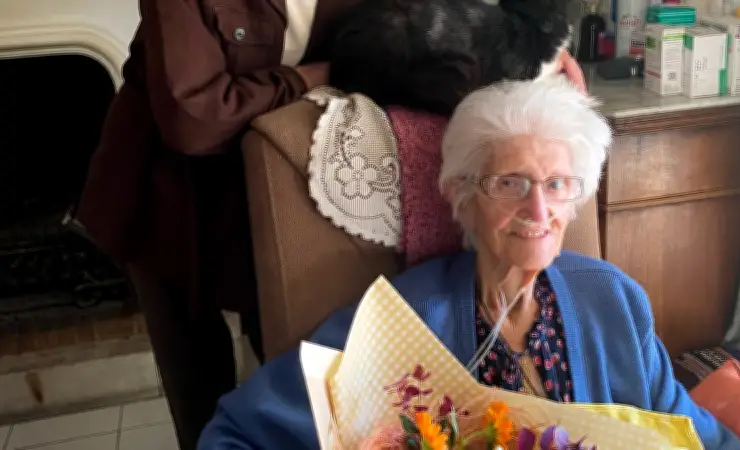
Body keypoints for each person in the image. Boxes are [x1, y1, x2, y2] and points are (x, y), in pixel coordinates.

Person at [75, 0, 590, 448]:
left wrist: (541, 57)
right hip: (165, 195)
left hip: (275, 183)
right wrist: (319, 75)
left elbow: (438, 27)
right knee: (201, 397)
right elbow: (195, 116)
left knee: (293, 374)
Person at [196, 78, 740, 449]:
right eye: (509, 183)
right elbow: (237, 431)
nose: (538, 209)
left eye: (556, 185)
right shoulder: (404, 320)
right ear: (462, 195)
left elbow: (694, 437)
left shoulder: (612, 299)